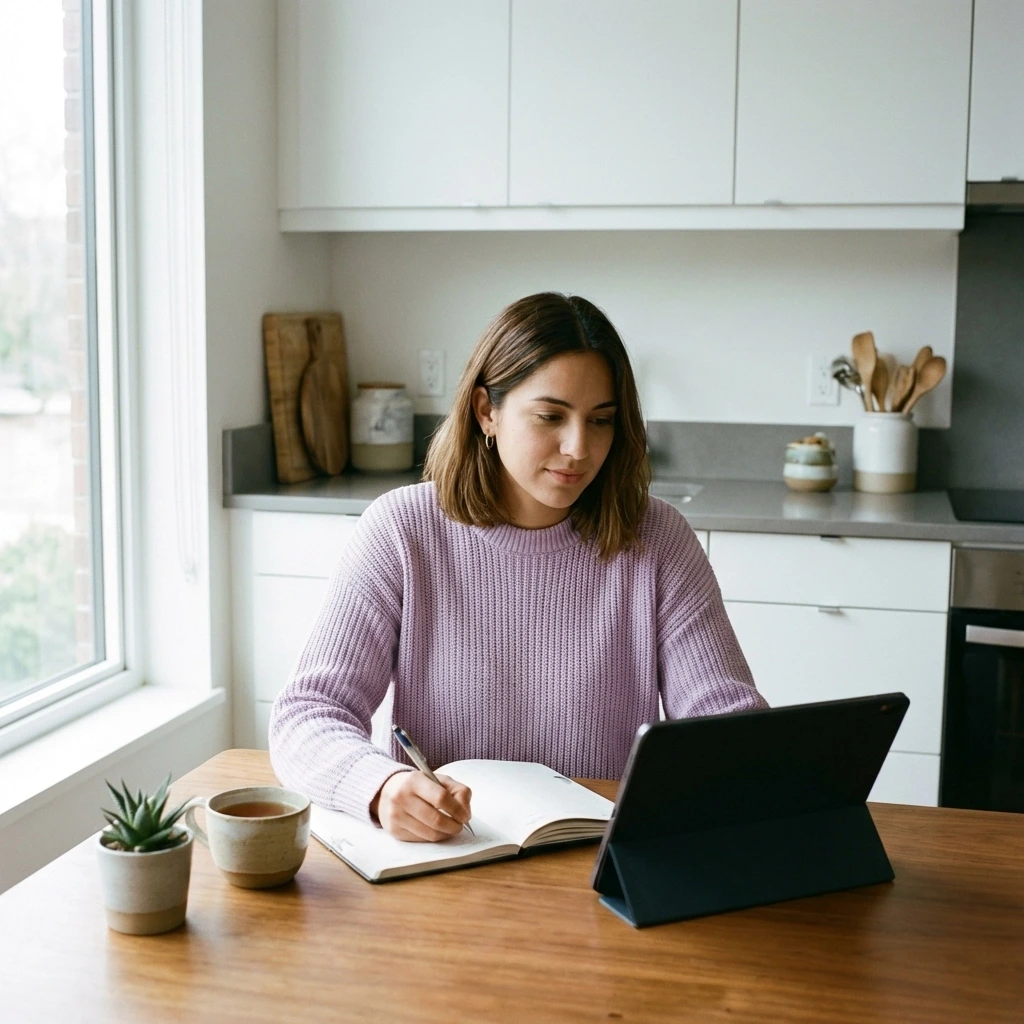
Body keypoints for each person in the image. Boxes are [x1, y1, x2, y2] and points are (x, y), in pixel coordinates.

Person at [269, 292, 767, 843]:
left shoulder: (658, 539)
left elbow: (723, 719)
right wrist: (381, 785)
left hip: (600, 855)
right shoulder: (401, 531)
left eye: (601, 420)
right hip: (446, 854)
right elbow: (308, 714)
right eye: (551, 416)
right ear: (487, 411)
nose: (578, 448)